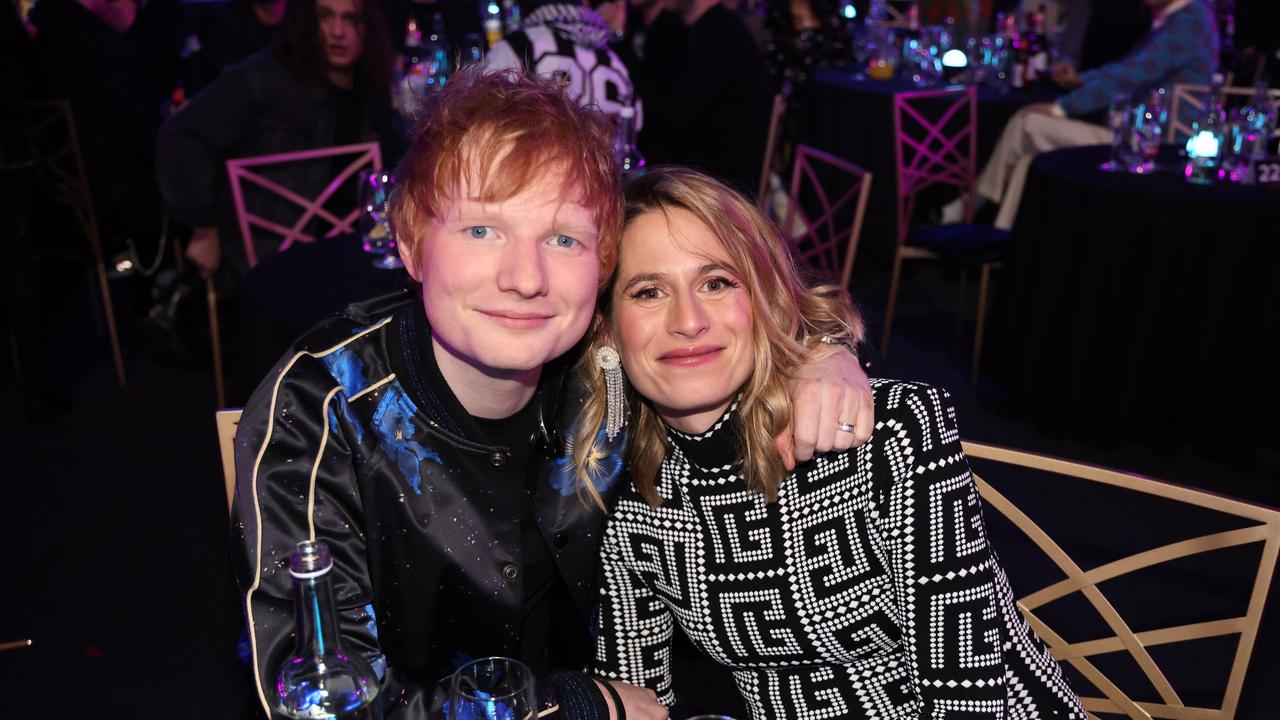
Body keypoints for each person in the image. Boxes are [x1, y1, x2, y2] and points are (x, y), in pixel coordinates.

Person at [231, 68, 875, 720]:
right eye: (482, 230)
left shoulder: (601, 361)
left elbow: (734, 315)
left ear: (602, 266)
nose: (525, 278)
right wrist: (573, 706)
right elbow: (317, 703)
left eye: (563, 239)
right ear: (411, 244)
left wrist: (823, 352)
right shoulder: (324, 411)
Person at [578, 167, 1087, 719]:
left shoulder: (886, 432)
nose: (689, 320)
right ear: (606, 329)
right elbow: (635, 698)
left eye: (717, 282)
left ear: (764, 299)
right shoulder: (624, 495)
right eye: (649, 292)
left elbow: (968, 700)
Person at [155, 0, 394, 280]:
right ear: (306, 22)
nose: (338, 31)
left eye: (351, 19)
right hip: (272, 259)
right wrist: (203, 227)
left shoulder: (371, 87)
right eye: (325, 17)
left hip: (351, 252)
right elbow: (182, 135)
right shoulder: (264, 78)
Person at [942, 0, 1217, 230]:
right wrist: (1081, 81)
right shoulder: (1177, 18)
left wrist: (1062, 108)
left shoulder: (1189, 21)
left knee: (1028, 123)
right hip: (1134, 139)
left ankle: (969, 209)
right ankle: (1003, 240)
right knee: (1029, 159)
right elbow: (1126, 70)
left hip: (1154, 151)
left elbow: (1129, 76)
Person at [640, 0, 773, 194]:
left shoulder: (723, 36)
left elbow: (673, 118)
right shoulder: (699, 30)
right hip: (692, 176)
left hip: (714, 192)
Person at [484, 0, 639, 121]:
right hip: (607, 162)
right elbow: (636, 125)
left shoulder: (516, 46)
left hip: (538, 160)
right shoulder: (616, 60)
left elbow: (482, 116)